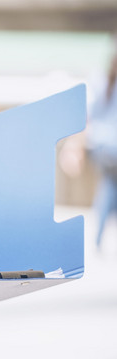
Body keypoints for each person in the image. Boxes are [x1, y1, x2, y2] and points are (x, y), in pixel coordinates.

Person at [86, 48, 117, 249]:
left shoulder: (104, 81)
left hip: (103, 149)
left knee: (108, 187)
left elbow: (90, 117)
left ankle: (97, 239)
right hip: (111, 148)